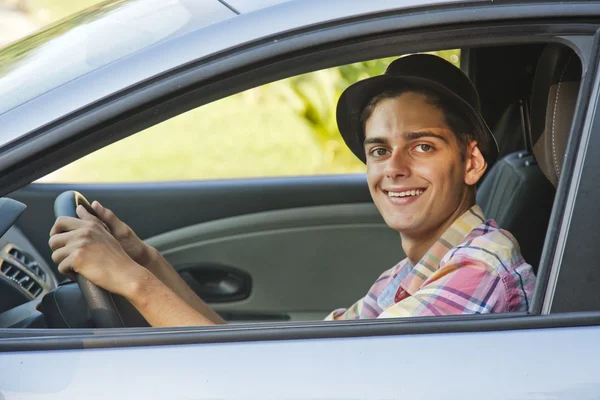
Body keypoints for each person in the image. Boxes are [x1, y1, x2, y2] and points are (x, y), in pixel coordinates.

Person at [48, 54, 536, 327]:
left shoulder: (477, 274)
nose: (395, 169)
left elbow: (271, 384)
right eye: (379, 150)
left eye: (423, 146)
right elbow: (277, 361)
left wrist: (130, 283)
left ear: (471, 161)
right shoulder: (414, 272)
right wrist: (146, 261)